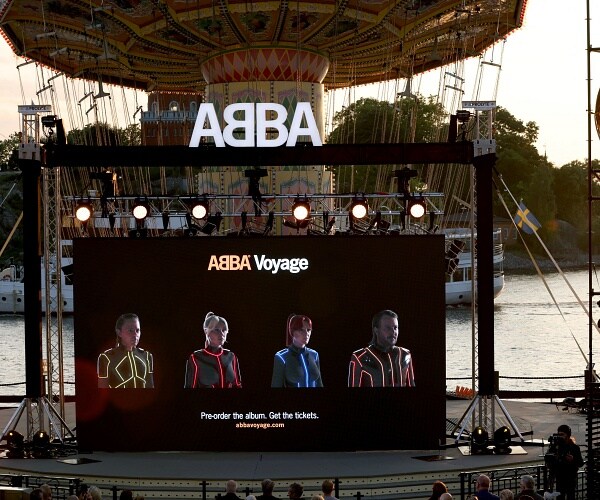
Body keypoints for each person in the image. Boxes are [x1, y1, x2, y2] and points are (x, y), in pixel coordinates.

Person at [348, 310, 415, 387]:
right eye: (388, 328)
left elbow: (411, 384)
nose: (393, 332)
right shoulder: (359, 357)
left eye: (395, 327)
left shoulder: (406, 355)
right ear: (376, 330)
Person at [184, 312, 242, 388]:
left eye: (224, 330)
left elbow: (237, 384)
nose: (222, 334)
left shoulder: (231, 357)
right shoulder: (196, 358)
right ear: (206, 331)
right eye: (216, 330)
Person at [97, 313, 154, 389]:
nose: (135, 335)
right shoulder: (106, 358)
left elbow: (150, 387)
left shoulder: (147, 356)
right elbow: (102, 390)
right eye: (130, 330)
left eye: (137, 330)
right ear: (119, 332)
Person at [272, 314, 323, 387]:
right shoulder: (281, 357)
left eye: (308, 330)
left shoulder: (314, 354)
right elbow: (276, 385)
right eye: (301, 330)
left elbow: (319, 383)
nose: (306, 334)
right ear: (292, 331)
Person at [545, 424, 583, 500]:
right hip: (559, 478)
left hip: (570, 478)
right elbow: (548, 459)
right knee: (560, 497)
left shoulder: (574, 447)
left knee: (570, 497)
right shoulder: (555, 447)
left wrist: (572, 460)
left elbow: (580, 463)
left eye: (562, 434)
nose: (560, 437)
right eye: (558, 435)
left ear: (568, 435)